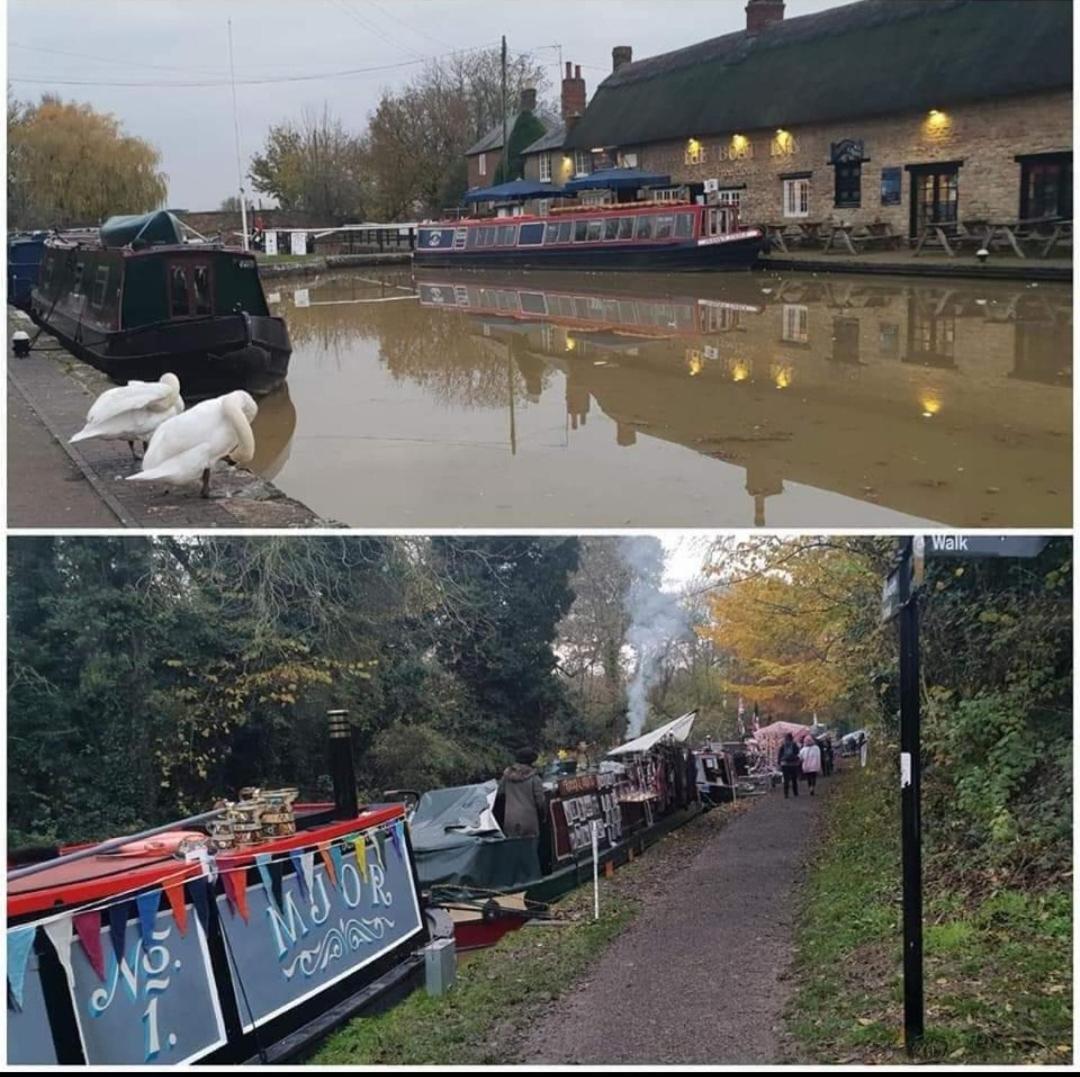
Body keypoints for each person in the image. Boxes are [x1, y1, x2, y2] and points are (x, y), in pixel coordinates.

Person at [492, 748, 548, 882]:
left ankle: (513, 880)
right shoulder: (535, 779)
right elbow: (540, 802)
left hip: (510, 819)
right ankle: (531, 879)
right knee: (529, 852)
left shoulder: (507, 776)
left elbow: (499, 793)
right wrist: (544, 816)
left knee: (513, 851)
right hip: (529, 820)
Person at [777, 733, 802, 799]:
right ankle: (795, 792)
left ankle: (786, 794)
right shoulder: (794, 745)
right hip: (793, 764)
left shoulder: (783, 745)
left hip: (785, 764)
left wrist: (779, 762)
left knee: (786, 779)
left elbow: (779, 754)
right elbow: (797, 752)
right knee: (794, 779)